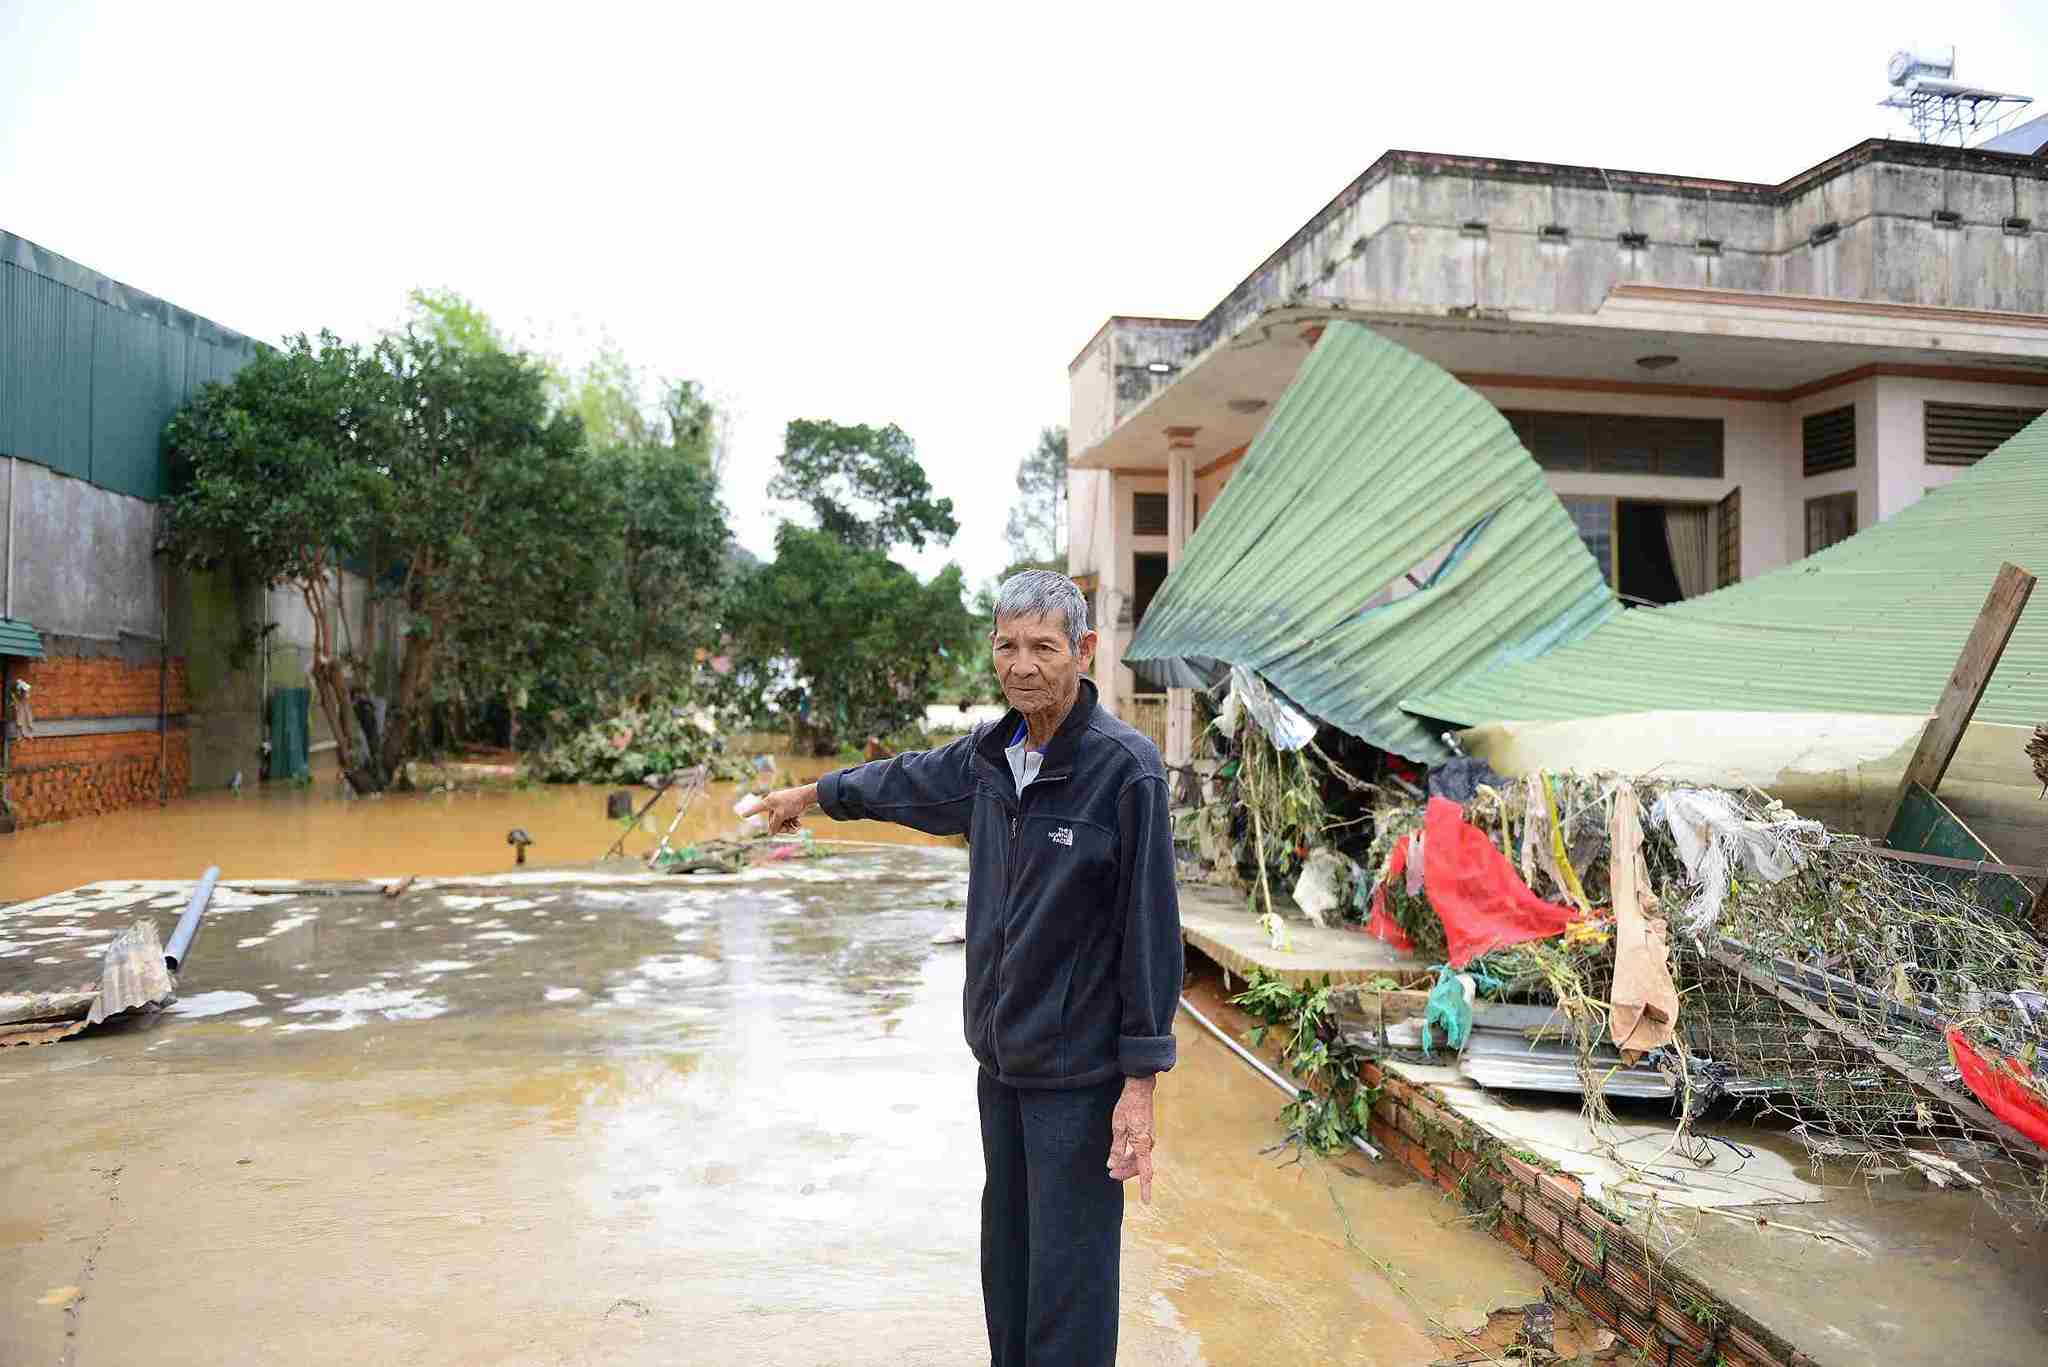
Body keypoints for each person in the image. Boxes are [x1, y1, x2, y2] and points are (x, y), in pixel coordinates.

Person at [754, 569, 1182, 1366]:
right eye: (1007, 646)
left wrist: (1140, 1081)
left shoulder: (1127, 770)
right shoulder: (990, 756)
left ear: (1084, 650)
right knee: (1008, 1266)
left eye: (1043, 647)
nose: (1022, 665)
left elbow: (1150, 930)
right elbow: (904, 781)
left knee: (1071, 1279)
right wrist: (812, 793)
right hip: (1001, 1064)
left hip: (1078, 1077)